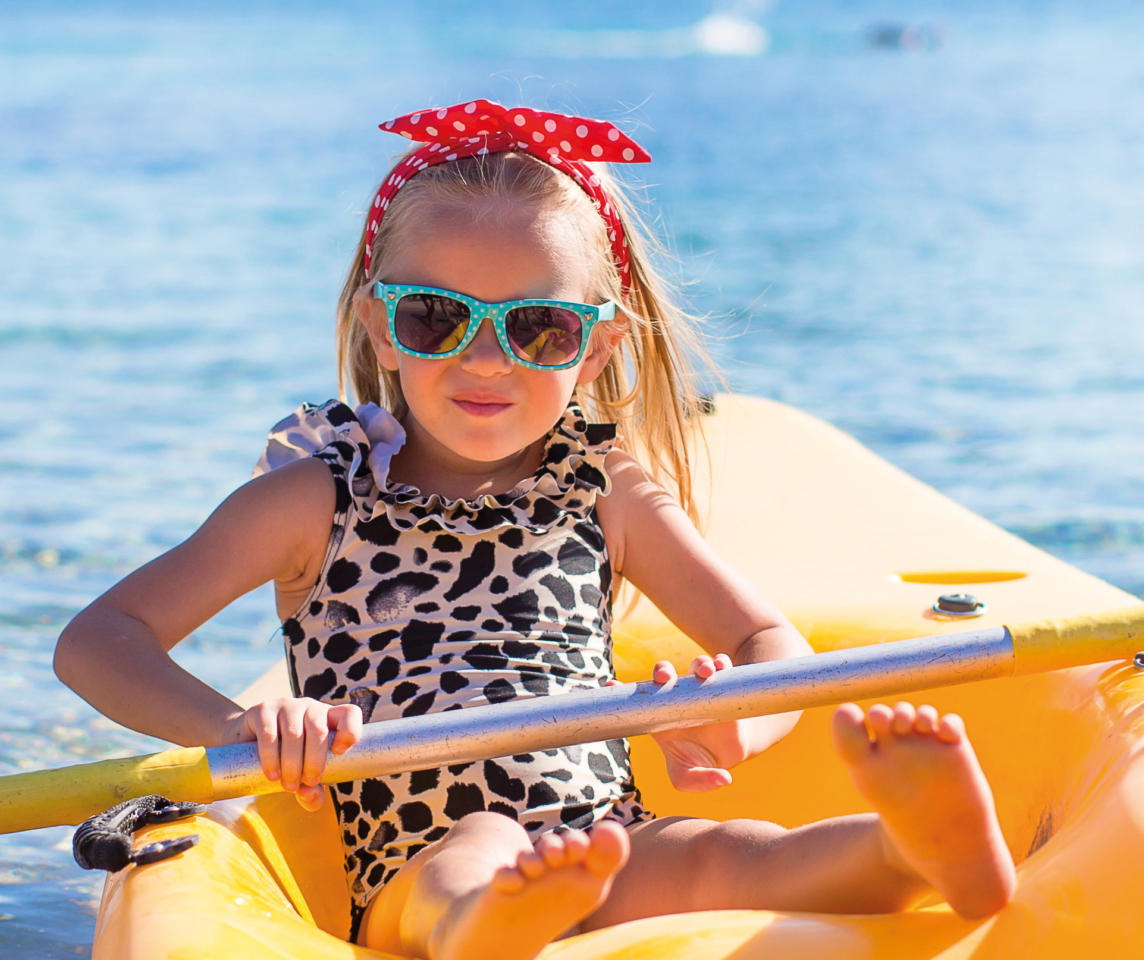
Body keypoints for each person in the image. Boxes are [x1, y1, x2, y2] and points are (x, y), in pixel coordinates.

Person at [53, 99, 1017, 960]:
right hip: (413, 863)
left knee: (732, 855)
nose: (486, 361)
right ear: (379, 326)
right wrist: (240, 728)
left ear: (598, 345)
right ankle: (490, 929)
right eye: (435, 317)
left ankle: (908, 852)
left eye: (539, 328)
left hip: (602, 838)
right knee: (478, 851)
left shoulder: (604, 491)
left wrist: (739, 722)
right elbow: (97, 642)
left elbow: (771, 644)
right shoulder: (315, 497)